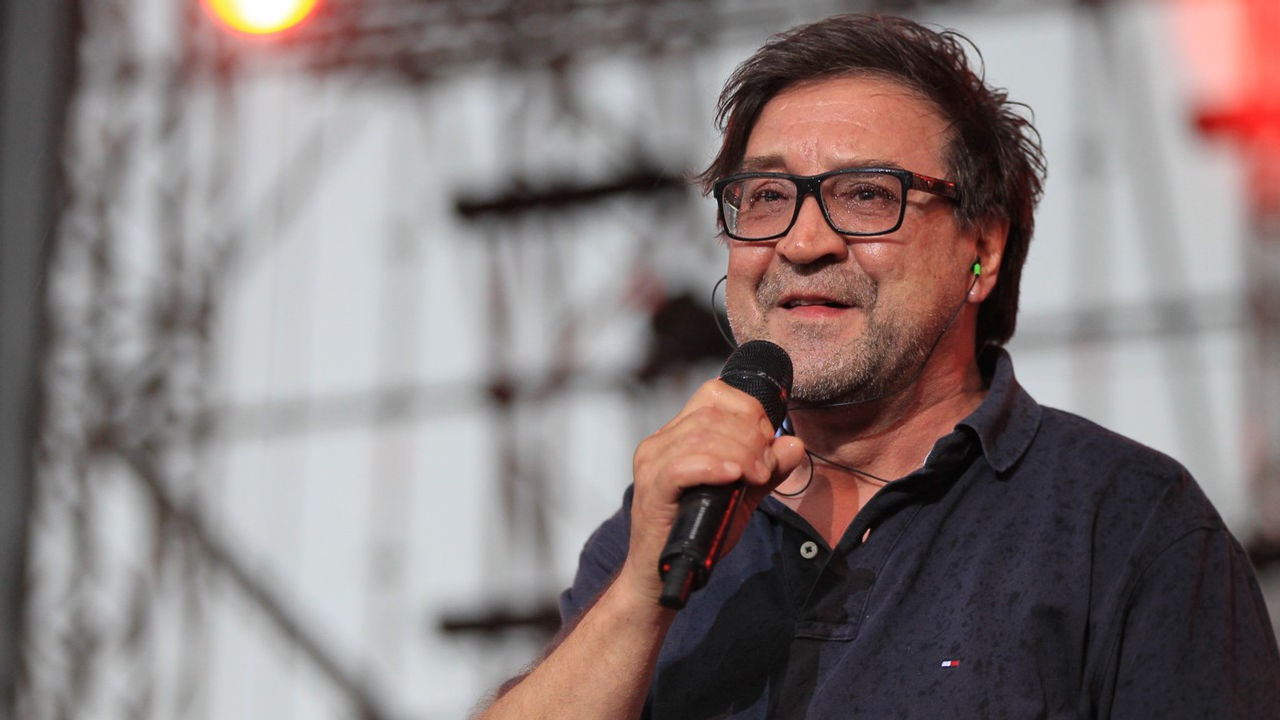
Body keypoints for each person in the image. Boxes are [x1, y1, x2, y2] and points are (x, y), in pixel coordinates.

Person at [474, 13, 1280, 720]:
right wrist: (642, 595)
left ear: (981, 250)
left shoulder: (1126, 521)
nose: (802, 242)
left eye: (866, 194)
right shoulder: (663, 525)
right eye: (766, 196)